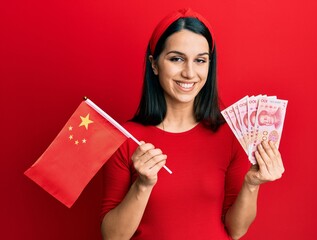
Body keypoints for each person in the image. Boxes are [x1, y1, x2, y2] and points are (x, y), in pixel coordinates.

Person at [100, 8, 285, 240]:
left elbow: (236, 231)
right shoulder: (125, 138)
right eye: (176, 59)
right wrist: (143, 185)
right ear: (154, 64)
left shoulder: (231, 135)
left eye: (200, 60)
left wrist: (252, 183)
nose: (189, 72)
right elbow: (113, 237)